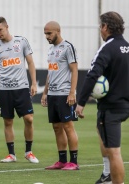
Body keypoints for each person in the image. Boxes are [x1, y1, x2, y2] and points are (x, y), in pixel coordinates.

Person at [75, 11, 129, 184]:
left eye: (101, 27)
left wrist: (81, 102)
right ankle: (107, 174)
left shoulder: (108, 47)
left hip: (112, 107)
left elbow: (92, 75)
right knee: (101, 131)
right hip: (126, 105)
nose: (100, 31)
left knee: (114, 151)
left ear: (106, 27)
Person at [0, 17, 39, 164]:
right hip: (5, 89)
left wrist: (33, 83)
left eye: (0, 30)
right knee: (8, 121)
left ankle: (28, 152)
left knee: (29, 118)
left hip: (22, 87)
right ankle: (11, 154)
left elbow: (30, 62)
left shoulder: (21, 41)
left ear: (7, 27)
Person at [41, 21, 79, 170]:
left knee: (68, 126)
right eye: (45, 33)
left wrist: (71, 93)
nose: (46, 36)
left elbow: (74, 70)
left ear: (58, 31)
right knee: (56, 127)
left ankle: (74, 162)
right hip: (52, 94)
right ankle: (62, 160)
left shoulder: (68, 47)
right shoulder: (51, 50)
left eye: (49, 33)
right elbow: (51, 73)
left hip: (65, 93)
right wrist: (45, 93)